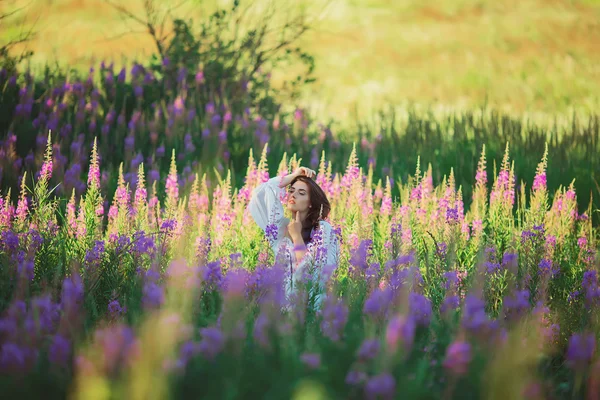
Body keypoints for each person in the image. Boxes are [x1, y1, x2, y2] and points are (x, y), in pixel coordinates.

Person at [248, 166, 340, 309]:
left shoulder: (322, 229)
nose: (293, 195)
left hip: (311, 312)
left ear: (311, 203)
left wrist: (297, 236)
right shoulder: (279, 226)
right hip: (282, 312)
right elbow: (259, 195)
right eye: (291, 191)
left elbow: (314, 278)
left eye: (301, 193)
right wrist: (293, 176)